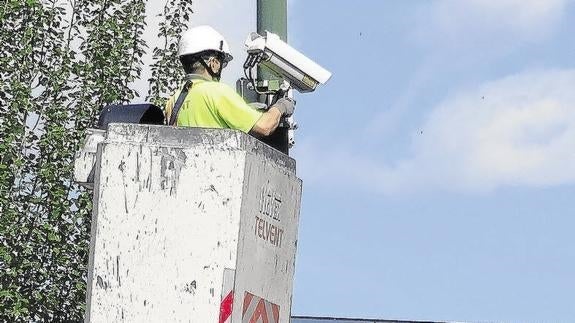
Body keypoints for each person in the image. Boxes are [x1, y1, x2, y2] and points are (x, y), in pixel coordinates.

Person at [165, 25, 294, 136]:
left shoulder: (173, 101)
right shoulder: (216, 92)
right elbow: (265, 126)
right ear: (213, 63)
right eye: (222, 63)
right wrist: (281, 106)